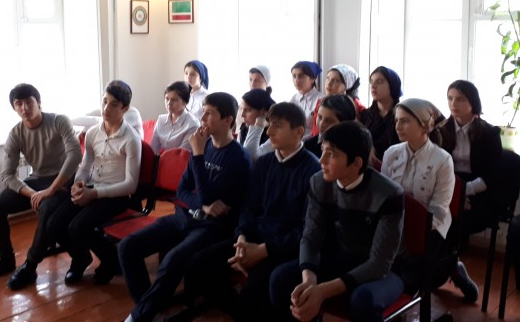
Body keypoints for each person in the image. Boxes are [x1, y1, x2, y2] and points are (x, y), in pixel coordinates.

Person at [119, 92, 251, 322]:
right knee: (127, 246)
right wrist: (201, 205)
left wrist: (197, 155)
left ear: (228, 120)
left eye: (209, 113)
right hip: (186, 216)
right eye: (203, 112)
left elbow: (208, 198)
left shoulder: (238, 158)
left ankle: (138, 317)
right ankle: (147, 306)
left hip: (211, 228)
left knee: (173, 260)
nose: (203, 118)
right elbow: (182, 190)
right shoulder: (204, 144)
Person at [8, 80, 141, 289]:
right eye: (104, 101)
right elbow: (85, 166)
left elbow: (131, 185)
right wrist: (79, 182)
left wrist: (93, 194)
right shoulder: (93, 133)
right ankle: (81, 257)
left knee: (77, 227)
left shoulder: (131, 139)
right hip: (92, 189)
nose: (106, 108)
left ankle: (110, 259)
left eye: (114, 104)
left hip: (116, 196)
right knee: (53, 224)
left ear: (125, 108)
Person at [270, 121, 404, 322]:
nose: (321, 160)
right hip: (340, 258)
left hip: (386, 270)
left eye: (331, 154)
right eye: (322, 150)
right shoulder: (319, 183)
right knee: (280, 279)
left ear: (356, 163)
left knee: (363, 300)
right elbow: (310, 236)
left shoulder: (388, 194)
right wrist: (309, 280)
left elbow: (379, 263)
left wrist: (323, 290)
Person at [0, 83, 83, 290]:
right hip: (37, 181)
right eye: (19, 104)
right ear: (14, 107)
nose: (24, 108)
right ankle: (5, 259)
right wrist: (33, 193)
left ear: (39, 102)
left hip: (63, 180)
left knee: (46, 208)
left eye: (29, 102)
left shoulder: (59, 121)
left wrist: (50, 190)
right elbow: (7, 175)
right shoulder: (16, 133)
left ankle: (30, 265)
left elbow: (75, 156)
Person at [227, 102, 321, 321]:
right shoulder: (264, 163)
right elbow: (249, 207)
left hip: (284, 248)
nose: (268, 132)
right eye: (269, 124)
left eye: (277, 126)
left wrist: (262, 250)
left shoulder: (312, 170)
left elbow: (307, 230)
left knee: (253, 294)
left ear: (299, 131)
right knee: (200, 265)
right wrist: (242, 238)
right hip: (255, 240)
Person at [381, 98, 457, 292]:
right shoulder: (391, 154)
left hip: (429, 227)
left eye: (405, 121)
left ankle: (451, 267)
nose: (398, 126)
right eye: (397, 120)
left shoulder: (443, 160)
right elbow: (383, 197)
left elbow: (439, 208)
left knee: (413, 282)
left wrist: (413, 230)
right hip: (395, 223)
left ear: (424, 126)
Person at [437, 79, 501, 302]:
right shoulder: (442, 130)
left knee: (457, 219)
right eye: (450, 98)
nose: (453, 104)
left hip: (479, 191)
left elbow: (491, 177)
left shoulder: (489, 133)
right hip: (449, 185)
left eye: (460, 99)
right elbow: (438, 168)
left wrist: (463, 193)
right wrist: (453, 194)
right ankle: (448, 266)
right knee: (434, 214)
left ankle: (449, 266)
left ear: (473, 102)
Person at [359, 66, 403, 166]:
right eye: (371, 82)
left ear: (392, 85)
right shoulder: (365, 115)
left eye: (379, 81)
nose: (373, 86)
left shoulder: (403, 116)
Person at [310, 64, 366, 137]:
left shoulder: (358, 108)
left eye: (335, 81)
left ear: (347, 85)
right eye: (328, 78)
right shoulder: (321, 102)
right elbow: (315, 132)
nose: (329, 83)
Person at [149, 81, 199, 154]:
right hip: (161, 159)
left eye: (174, 100)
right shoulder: (161, 119)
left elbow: (181, 154)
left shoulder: (192, 125)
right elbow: (153, 149)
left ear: (185, 102)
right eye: (167, 99)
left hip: (180, 160)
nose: (169, 103)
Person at [303, 94, 358, 158]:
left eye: (329, 121)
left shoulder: (354, 149)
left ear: (345, 123)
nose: (321, 124)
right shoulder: (308, 146)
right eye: (320, 117)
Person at [289, 61, 324, 140]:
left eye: (301, 76)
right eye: (294, 76)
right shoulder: (294, 99)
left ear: (313, 79)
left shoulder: (321, 99)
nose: (296, 80)